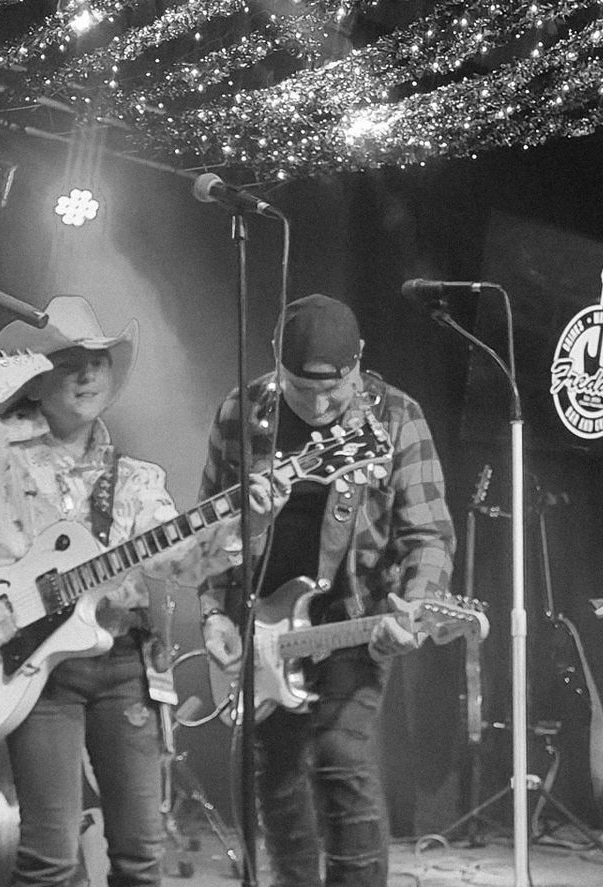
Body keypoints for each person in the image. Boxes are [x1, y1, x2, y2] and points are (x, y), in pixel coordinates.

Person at [0, 295, 267, 887]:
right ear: (34, 381)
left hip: (124, 667)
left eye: (97, 360)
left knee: (142, 853)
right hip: (29, 674)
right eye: (68, 360)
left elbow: (183, 564)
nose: (88, 372)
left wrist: (248, 523)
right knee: (49, 859)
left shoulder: (137, 478)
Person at [198, 294, 455, 887]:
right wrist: (214, 611)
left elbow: (430, 534)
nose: (316, 405)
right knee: (278, 780)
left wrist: (412, 611)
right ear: (274, 362)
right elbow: (209, 527)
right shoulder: (240, 412)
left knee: (342, 759)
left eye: (332, 391)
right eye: (299, 388)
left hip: (356, 617)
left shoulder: (395, 417)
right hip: (260, 626)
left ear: (359, 361)